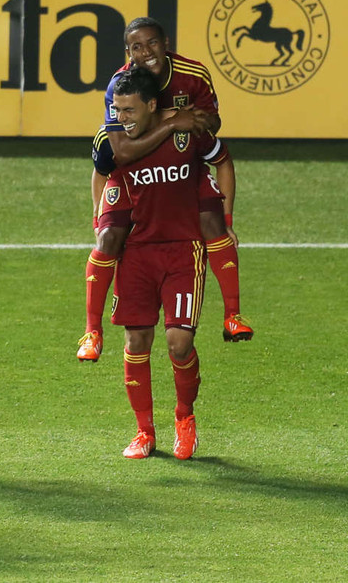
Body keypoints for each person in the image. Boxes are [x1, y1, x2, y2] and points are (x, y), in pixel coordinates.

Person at [77, 17, 252, 362]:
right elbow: (118, 153)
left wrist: (229, 217)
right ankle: (91, 331)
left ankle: (233, 315)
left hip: (182, 165)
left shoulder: (193, 74)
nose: (147, 52)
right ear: (128, 52)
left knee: (214, 225)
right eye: (137, 47)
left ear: (166, 42)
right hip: (134, 174)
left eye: (153, 43)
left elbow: (213, 127)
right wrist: (173, 119)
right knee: (109, 238)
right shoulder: (120, 85)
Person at [100, 66, 235, 459]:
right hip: (137, 254)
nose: (120, 118)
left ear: (152, 105)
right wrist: (99, 219)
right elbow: (103, 169)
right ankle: (144, 431)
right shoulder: (114, 138)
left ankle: (184, 418)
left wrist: (225, 223)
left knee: (179, 344)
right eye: (116, 110)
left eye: (128, 110)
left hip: (182, 249)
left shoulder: (187, 132)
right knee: (136, 340)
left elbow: (223, 158)